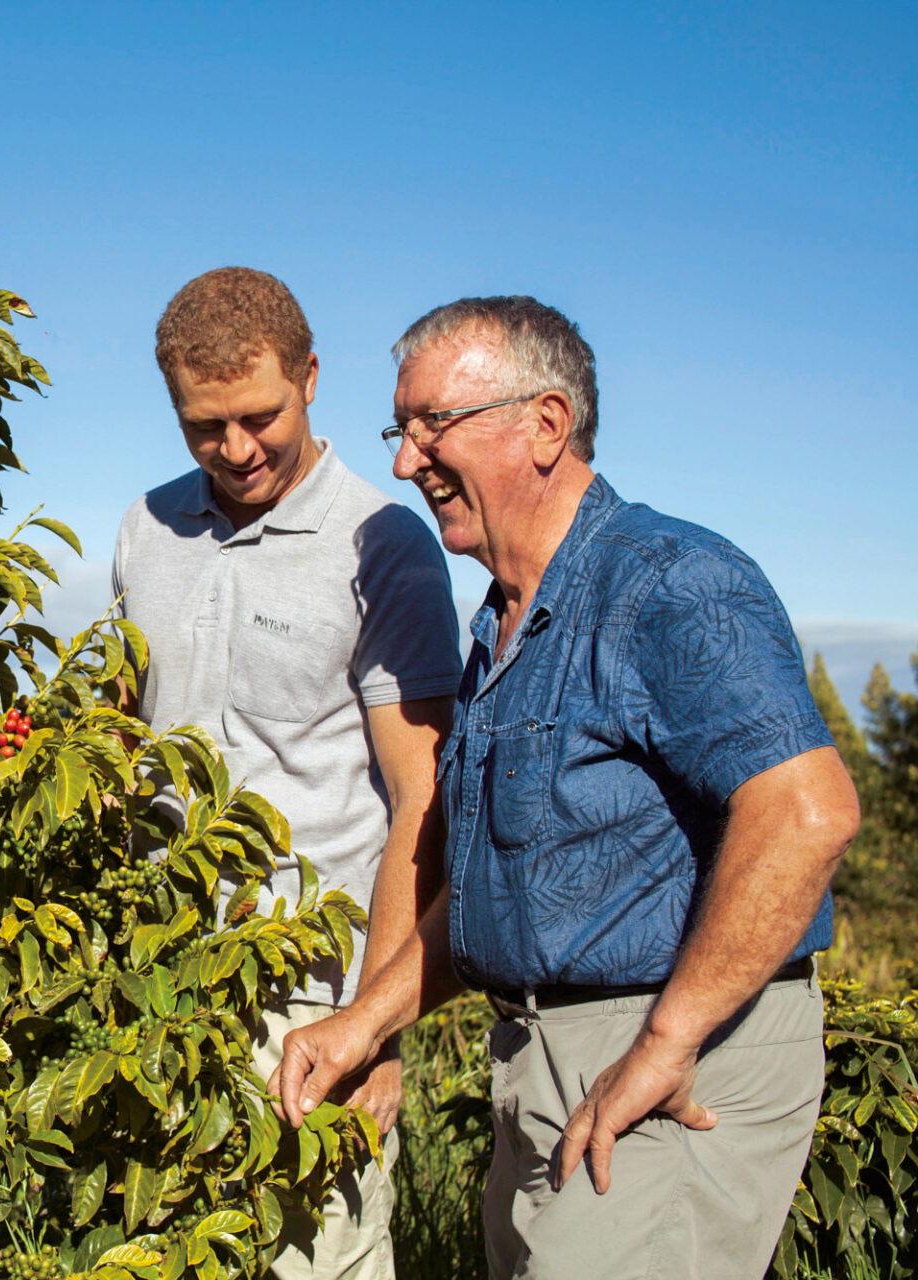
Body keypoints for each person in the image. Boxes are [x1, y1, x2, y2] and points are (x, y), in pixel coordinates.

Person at [272, 296, 860, 1278]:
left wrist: (668, 1038)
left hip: (673, 1055)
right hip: (540, 1054)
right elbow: (503, 889)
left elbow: (809, 810)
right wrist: (364, 1020)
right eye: (399, 429)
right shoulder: (503, 628)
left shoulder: (668, 582)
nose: (407, 461)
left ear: (547, 423)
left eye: (432, 425)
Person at [112, 268, 461, 1278]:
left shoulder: (382, 542)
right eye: (203, 427)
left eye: (259, 416)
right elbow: (128, 731)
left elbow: (418, 799)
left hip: (313, 995)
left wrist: (376, 1023)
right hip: (162, 981)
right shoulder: (147, 524)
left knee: (319, 1258)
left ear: (311, 377)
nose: (236, 450)